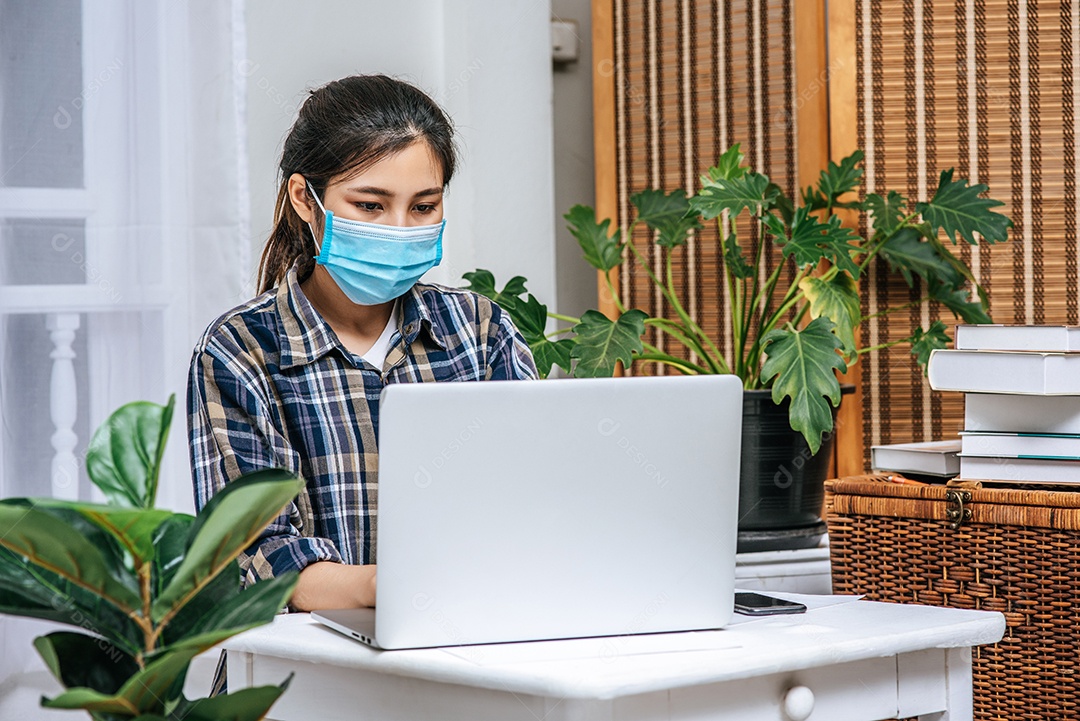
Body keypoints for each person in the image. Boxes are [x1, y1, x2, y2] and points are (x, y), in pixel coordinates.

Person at [188, 75, 538, 612]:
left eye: (423, 207)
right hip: (308, 675)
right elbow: (255, 561)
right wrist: (391, 588)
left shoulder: (482, 332)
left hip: (469, 647)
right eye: (371, 205)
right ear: (306, 199)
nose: (399, 229)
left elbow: (533, 504)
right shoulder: (242, 350)